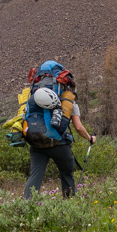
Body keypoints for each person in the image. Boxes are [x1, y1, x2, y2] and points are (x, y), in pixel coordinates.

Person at [22, 59, 95, 199]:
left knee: (35, 175)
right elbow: (78, 127)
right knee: (67, 173)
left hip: (36, 142)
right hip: (59, 143)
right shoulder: (67, 99)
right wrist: (90, 138)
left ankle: (26, 206)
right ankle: (69, 204)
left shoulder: (34, 96)